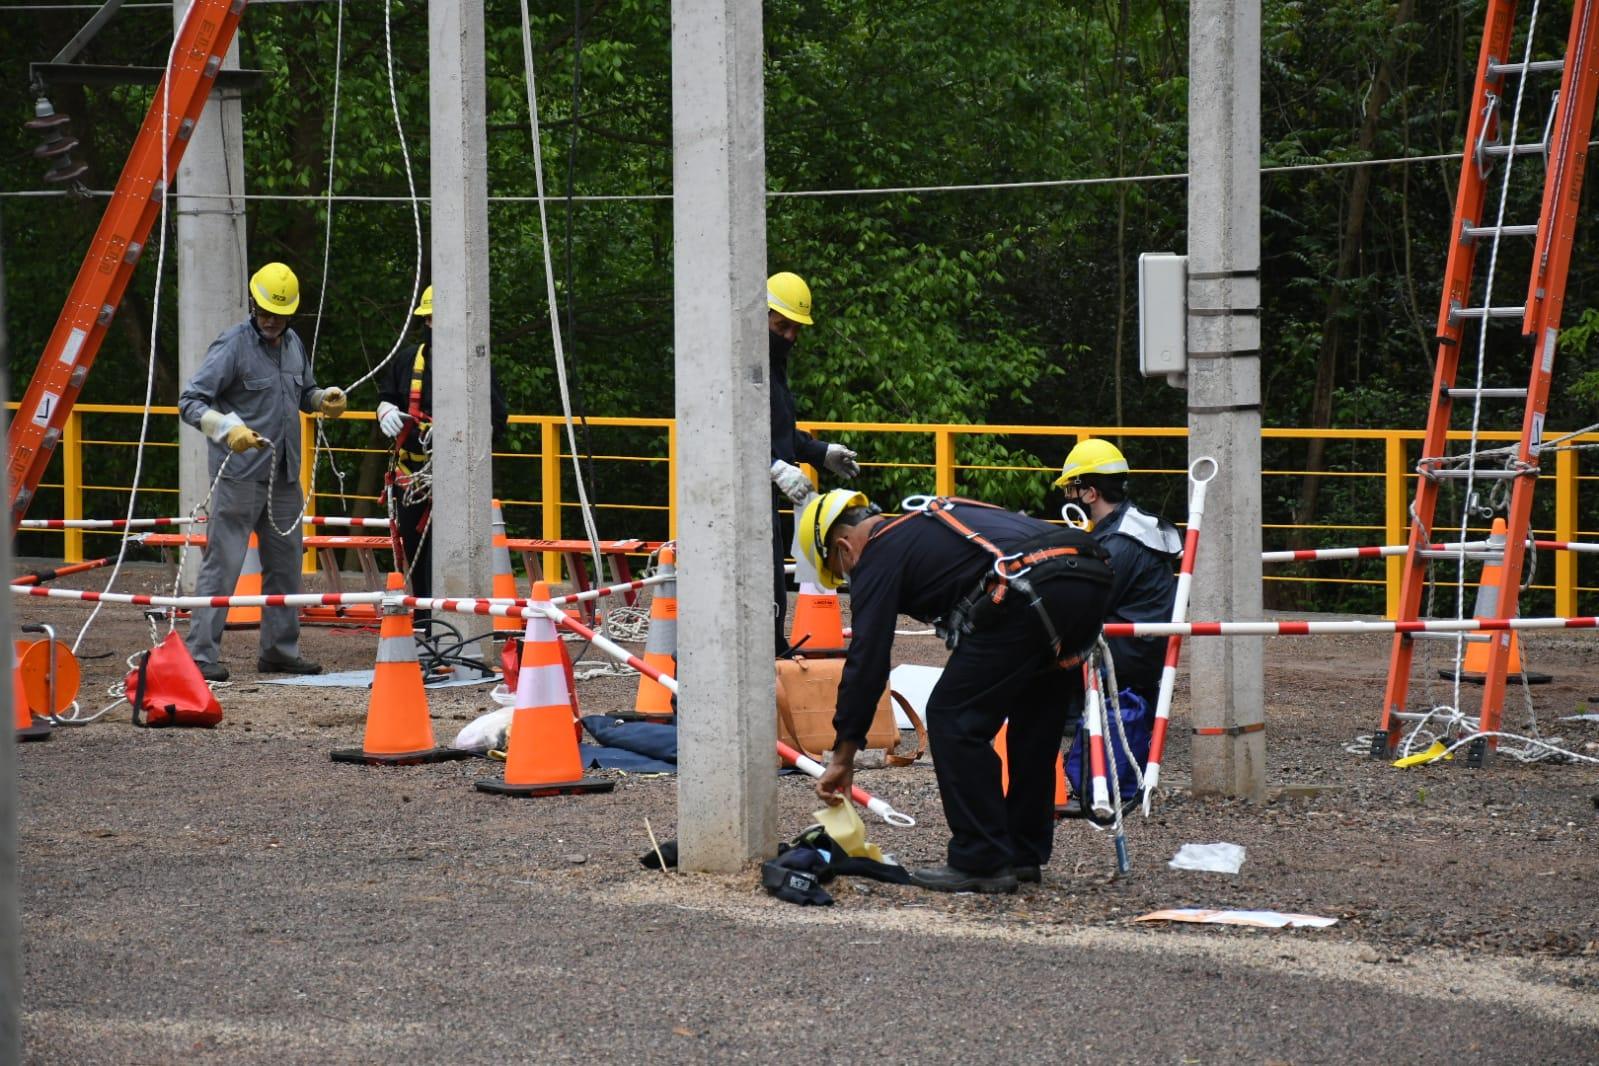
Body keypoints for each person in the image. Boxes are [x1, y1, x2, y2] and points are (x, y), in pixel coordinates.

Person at [803, 489, 1113, 893]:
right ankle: (1022, 853)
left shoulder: (879, 551)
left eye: (840, 570)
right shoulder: (934, 521)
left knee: (953, 717)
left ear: (844, 545)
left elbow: (868, 657)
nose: (849, 579)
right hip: (1091, 573)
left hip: (1027, 581)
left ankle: (982, 857)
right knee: (1036, 715)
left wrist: (843, 756)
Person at [178, 262, 346, 682]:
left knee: (286, 567)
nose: (270, 321)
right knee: (224, 564)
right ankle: (201, 655)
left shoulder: (294, 345)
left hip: (285, 475)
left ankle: (279, 651)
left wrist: (322, 398)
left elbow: (303, 392)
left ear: (290, 313)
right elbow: (191, 402)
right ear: (254, 305)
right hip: (239, 476)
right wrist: (227, 429)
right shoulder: (232, 345)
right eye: (265, 312)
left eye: (279, 314)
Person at [374, 284, 509, 620]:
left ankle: (452, 623)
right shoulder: (409, 361)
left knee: (449, 553)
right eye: (434, 318)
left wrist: (458, 437)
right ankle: (423, 622)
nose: (439, 324)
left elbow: (496, 419)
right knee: (414, 550)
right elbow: (387, 395)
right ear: (428, 321)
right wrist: (385, 411)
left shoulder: (475, 367)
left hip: (457, 479)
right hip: (413, 478)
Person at [765, 271, 860, 652]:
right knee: (757, 585)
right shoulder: (736, 368)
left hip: (763, 502)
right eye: (781, 326)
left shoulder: (771, 367)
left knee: (771, 584)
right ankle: (765, 659)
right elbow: (726, 436)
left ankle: (771, 654)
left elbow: (776, 431)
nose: (789, 336)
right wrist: (771, 465)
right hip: (734, 510)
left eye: (794, 329)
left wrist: (819, 453)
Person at [1052, 439, 1180, 709]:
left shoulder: (1118, 543)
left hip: (1125, 657)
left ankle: (1073, 721)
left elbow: (1085, 609)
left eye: (1072, 489)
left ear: (1090, 493)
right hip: (1141, 649)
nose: (1068, 497)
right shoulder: (1131, 523)